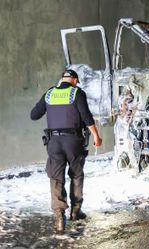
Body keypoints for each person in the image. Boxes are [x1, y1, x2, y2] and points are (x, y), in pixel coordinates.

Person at [30, 69, 103, 234]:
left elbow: (34, 115)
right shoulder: (77, 92)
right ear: (74, 80)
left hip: (54, 142)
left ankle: (59, 218)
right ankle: (76, 211)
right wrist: (96, 136)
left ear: (61, 79)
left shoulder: (49, 93)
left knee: (56, 178)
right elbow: (87, 117)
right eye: (76, 81)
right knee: (76, 175)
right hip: (73, 142)